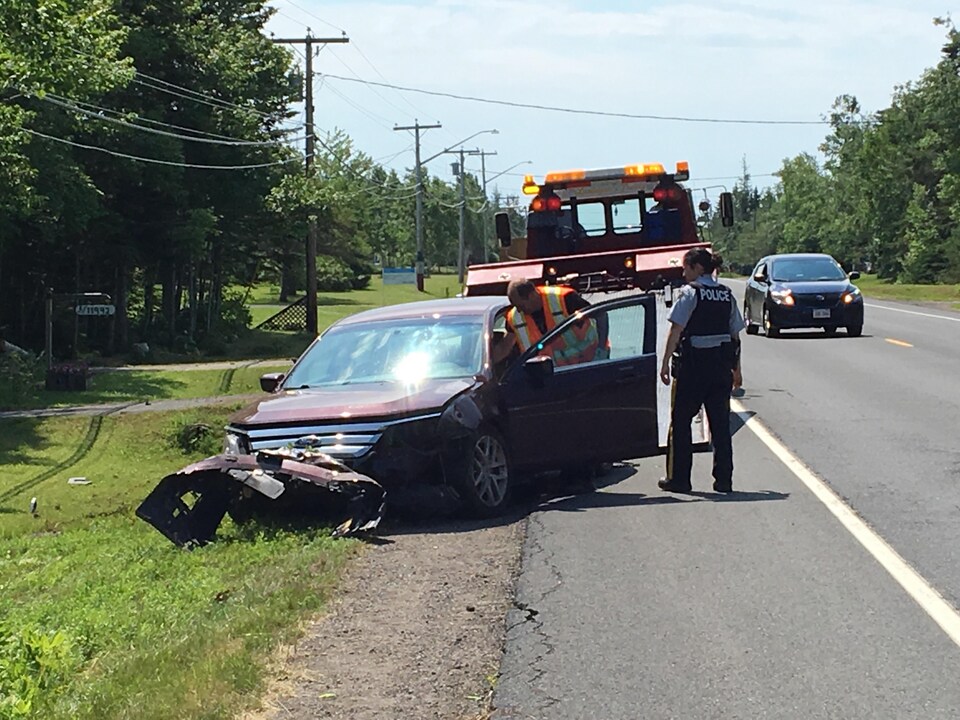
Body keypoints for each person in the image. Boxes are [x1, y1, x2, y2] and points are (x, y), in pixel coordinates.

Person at [658, 248, 744, 494]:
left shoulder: (689, 293)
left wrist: (664, 363)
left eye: (686, 268)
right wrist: (736, 371)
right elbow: (734, 337)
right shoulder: (726, 295)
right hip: (719, 369)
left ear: (697, 268)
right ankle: (724, 481)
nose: (683, 273)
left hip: (692, 369)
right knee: (720, 426)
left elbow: (675, 331)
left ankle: (679, 479)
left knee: (681, 422)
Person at [492, 277, 608, 366]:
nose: (519, 310)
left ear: (532, 295)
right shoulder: (515, 318)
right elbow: (504, 347)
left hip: (589, 364)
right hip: (555, 376)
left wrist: (601, 349)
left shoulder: (563, 299)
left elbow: (601, 314)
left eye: (521, 305)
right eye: (516, 306)